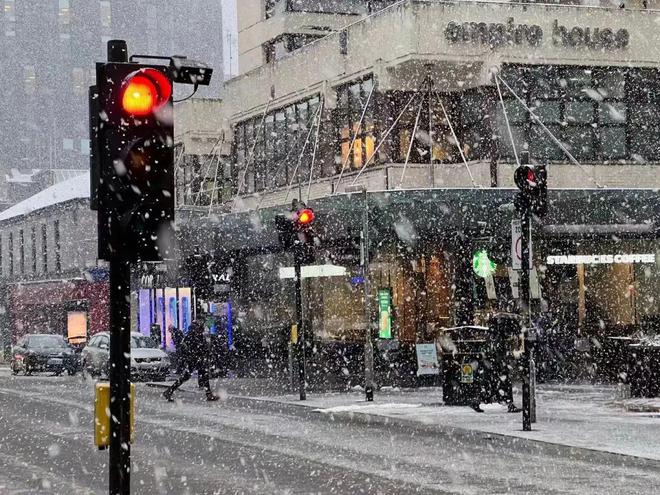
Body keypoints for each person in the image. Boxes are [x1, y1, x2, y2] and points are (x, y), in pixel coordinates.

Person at [163, 319, 219, 402]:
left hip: (194, 359)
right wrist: (202, 353)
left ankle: (169, 391)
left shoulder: (191, 335)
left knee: (196, 375)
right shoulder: (193, 335)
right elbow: (197, 347)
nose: (201, 329)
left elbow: (196, 347)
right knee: (202, 375)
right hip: (195, 359)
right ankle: (208, 394)